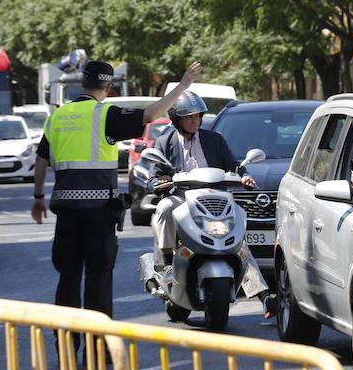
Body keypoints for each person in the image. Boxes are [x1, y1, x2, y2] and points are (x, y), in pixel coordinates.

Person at [30, 59, 203, 323]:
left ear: (83, 82)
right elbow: (150, 115)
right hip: (99, 212)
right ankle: (98, 346)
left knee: (68, 277)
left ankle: (65, 342)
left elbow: (41, 160)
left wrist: (38, 197)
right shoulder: (104, 115)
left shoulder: (58, 117)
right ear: (108, 86)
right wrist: (183, 85)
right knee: (98, 278)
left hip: (66, 213)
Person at [147, 90, 277, 319]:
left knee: (238, 244)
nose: (194, 120)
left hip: (214, 200)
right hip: (181, 200)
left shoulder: (214, 139)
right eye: (189, 116)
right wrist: (159, 182)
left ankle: (264, 296)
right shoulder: (164, 141)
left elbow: (233, 165)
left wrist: (244, 176)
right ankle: (167, 262)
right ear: (177, 119)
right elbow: (154, 175)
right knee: (164, 207)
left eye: (197, 116)